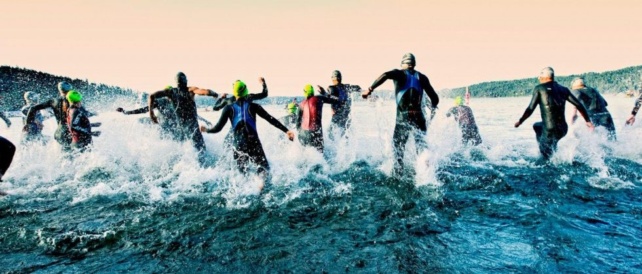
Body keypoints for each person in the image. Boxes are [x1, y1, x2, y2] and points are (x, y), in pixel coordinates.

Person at [200, 80, 295, 186]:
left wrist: (206, 130)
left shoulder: (228, 107)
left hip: (238, 145)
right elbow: (270, 119)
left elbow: (218, 128)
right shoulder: (253, 106)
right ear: (246, 91)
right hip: (253, 142)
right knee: (264, 169)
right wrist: (286, 131)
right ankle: (259, 184)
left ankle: (248, 190)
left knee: (243, 175)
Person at [361, 53, 440, 175]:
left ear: (403, 64)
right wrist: (431, 106)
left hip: (403, 117)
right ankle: (426, 176)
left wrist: (370, 89)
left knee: (398, 151)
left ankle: (398, 176)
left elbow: (386, 75)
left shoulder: (400, 74)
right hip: (419, 118)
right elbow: (435, 99)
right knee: (422, 149)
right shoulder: (422, 77)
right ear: (413, 64)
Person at [514, 67, 594, 160]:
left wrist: (520, 121)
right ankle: (550, 149)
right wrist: (588, 121)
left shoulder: (539, 88)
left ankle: (546, 151)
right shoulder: (564, 89)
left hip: (550, 130)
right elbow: (579, 105)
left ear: (544, 77)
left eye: (539, 77)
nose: (539, 79)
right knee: (537, 126)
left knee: (545, 159)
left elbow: (530, 108)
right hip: (563, 129)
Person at [148, 72, 219, 163]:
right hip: (193, 131)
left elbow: (152, 96)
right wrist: (214, 94)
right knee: (202, 154)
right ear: (185, 81)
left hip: (181, 131)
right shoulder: (190, 90)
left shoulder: (170, 92)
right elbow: (205, 91)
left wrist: (151, 114)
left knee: (185, 155)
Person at [25, 81, 76, 151]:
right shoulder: (73, 102)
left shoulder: (54, 101)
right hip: (68, 133)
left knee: (65, 155)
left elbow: (32, 108)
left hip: (59, 132)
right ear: (70, 90)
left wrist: (29, 123)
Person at [317, 70, 361, 139]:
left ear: (333, 78)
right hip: (347, 118)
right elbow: (358, 88)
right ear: (340, 78)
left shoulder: (331, 88)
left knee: (330, 136)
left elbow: (334, 98)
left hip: (337, 117)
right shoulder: (347, 87)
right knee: (345, 138)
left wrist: (324, 93)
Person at [296, 84, 339, 153]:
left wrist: (300, 133)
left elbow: (297, 124)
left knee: (304, 154)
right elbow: (335, 100)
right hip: (315, 132)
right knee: (319, 154)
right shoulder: (319, 98)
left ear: (305, 92)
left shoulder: (301, 104)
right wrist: (324, 93)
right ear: (313, 92)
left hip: (302, 133)